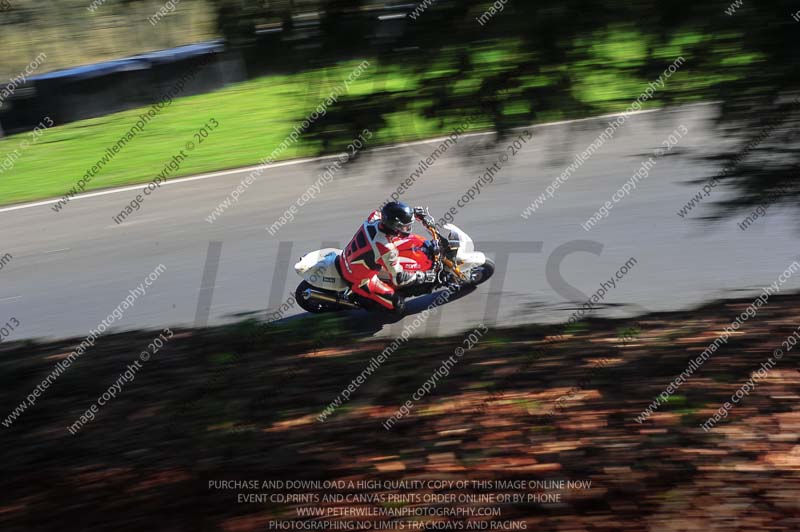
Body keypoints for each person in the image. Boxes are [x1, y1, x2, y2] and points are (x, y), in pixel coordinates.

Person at [338, 201, 436, 312]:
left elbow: (390, 213)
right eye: (404, 227)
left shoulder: (374, 218)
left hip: (348, 257)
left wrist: (411, 213)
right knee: (398, 305)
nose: (407, 229)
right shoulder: (386, 248)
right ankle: (369, 301)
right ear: (394, 227)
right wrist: (422, 276)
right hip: (359, 279)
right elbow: (399, 278)